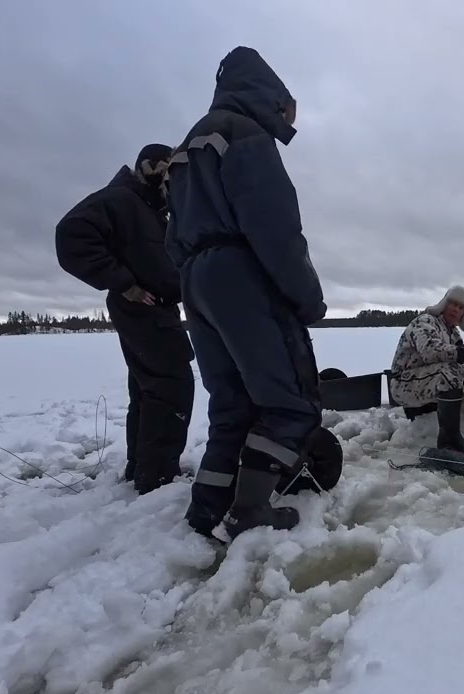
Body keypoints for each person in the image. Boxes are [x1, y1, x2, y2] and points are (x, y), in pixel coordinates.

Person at [164, 46, 342, 544]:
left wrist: (198, 280)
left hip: (195, 280)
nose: (289, 120)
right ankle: (248, 511)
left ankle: (207, 510)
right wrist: (307, 299)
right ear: (269, 96)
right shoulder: (245, 135)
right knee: (292, 405)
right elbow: (277, 229)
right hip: (240, 272)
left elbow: (171, 237)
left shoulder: (188, 146)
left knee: (232, 403)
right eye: (287, 108)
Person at [54, 144, 196, 495]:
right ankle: (158, 478)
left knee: (149, 391)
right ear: (147, 168)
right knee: (171, 388)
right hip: (142, 309)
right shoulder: (119, 199)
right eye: (168, 170)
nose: (172, 179)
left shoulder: (150, 209)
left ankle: (142, 468)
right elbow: (71, 234)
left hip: (158, 309)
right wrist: (124, 284)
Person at [388, 285, 464, 456]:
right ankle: (449, 440)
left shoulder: (453, 333)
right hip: (404, 384)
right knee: (448, 373)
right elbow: (430, 351)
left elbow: (462, 368)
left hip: (428, 383)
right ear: (444, 303)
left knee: (459, 380)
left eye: (461, 308)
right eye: (453, 304)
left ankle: (447, 425)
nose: (455, 310)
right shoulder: (425, 322)